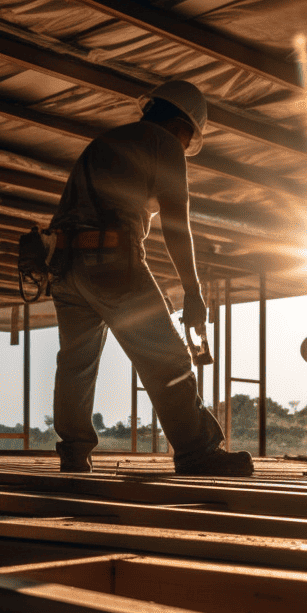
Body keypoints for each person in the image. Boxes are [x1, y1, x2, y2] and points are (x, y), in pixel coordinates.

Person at [47, 80, 252, 476]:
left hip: (62, 265)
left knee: (76, 364)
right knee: (167, 357)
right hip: (110, 262)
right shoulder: (164, 143)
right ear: (182, 125)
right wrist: (192, 291)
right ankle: (197, 452)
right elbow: (176, 221)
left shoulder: (106, 141)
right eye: (189, 136)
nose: (186, 144)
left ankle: (73, 453)